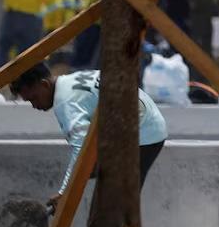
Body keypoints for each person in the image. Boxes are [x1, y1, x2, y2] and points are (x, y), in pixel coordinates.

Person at [11, 62, 169, 206]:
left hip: (142, 135)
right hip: (145, 122)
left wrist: (65, 193)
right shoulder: (70, 81)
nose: (34, 106)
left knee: (110, 210)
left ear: (44, 85)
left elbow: (81, 148)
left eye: (33, 98)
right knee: (92, 175)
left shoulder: (66, 103)